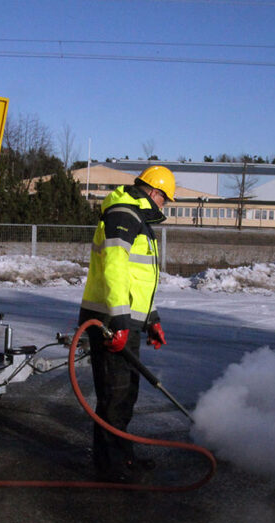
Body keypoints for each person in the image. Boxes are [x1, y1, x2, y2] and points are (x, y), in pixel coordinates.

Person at [78, 165, 174, 483]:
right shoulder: (124, 214)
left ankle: (122, 456)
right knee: (114, 394)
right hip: (111, 318)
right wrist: (119, 320)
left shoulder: (136, 217)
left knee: (125, 393)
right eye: (165, 200)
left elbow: (139, 278)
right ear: (155, 193)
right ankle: (110, 466)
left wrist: (151, 319)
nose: (164, 206)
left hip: (124, 319)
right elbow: (115, 268)